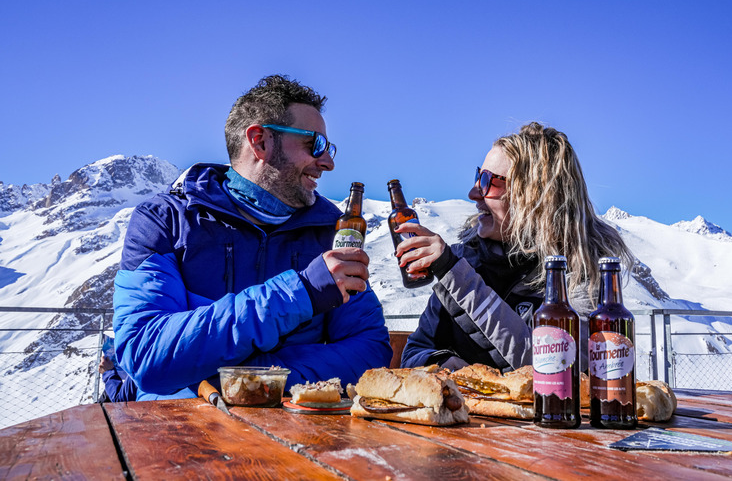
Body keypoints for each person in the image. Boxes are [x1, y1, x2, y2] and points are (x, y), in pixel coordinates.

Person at [112, 74, 392, 400]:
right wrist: (300, 293)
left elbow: (370, 351)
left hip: (302, 437)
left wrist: (247, 379)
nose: (327, 162)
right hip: (182, 436)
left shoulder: (331, 232)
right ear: (259, 141)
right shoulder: (164, 221)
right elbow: (147, 356)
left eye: (329, 148)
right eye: (315, 144)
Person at [399, 122, 633, 372]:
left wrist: (455, 275)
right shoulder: (464, 260)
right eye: (478, 176)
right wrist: (441, 362)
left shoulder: (579, 273)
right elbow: (415, 352)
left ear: (536, 196)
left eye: (488, 181)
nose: (473, 193)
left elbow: (564, 368)